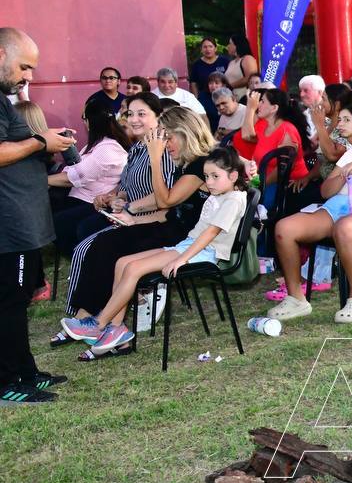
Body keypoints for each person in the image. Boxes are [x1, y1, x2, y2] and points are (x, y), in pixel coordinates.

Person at [60, 148, 248, 356]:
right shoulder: (220, 194)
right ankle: (116, 330)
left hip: (202, 251)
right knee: (122, 263)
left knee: (133, 268)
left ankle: (99, 323)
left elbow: (211, 234)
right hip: (188, 246)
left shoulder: (233, 199)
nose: (209, 182)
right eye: (206, 177)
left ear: (233, 176)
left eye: (215, 176)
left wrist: (182, 260)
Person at [56, 105, 213, 351]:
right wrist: (132, 212)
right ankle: (94, 319)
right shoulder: (189, 163)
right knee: (103, 243)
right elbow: (168, 205)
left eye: (168, 137)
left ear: (185, 133)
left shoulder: (201, 165)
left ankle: (97, 322)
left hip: (182, 237)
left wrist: (154, 157)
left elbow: (166, 200)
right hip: (168, 225)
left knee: (110, 246)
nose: (165, 144)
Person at [267, 108, 352, 322]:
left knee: (345, 227)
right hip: (336, 207)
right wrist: (346, 173)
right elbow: (326, 191)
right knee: (284, 228)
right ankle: (296, 299)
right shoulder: (351, 154)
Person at [0, 28, 76, 401]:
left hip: (21, 222)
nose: (28, 76)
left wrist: (46, 137)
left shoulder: (3, 100)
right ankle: (8, 382)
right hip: (8, 225)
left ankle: (25, 371)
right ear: (1, 54)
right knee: (9, 303)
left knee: (17, 300)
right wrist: (40, 141)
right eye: (24, 66)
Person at [49, 98, 129, 255]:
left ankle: (81, 259)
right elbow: (75, 168)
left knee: (54, 223)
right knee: (46, 210)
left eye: (84, 119)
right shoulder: (97, 144)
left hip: (93, 202)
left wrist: (42, 180)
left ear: (92, 121)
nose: (84, 123)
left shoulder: (108, 147)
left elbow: (77, 176)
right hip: (80, 198)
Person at [234, 88, 309, 209]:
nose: (258, 104)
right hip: (267, 182)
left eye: (262, 101)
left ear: (274, 108)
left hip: (289, 186)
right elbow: (247, 135)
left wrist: (257, 185)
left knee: (247, 204)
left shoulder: (287, 131)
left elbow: (281, 170)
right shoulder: (266, 127)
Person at [189, 36, 229, 122]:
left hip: (223, 96)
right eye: (205, 47)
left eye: (210, 46)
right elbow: (193, 83)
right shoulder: (197, 64)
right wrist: (196, 99)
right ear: (201, 49)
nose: (208, 49)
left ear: (215, 48)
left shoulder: (224, 61)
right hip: (205, 97)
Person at [222, 34, 258, 99]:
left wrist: (230, 86)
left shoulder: (248, 59)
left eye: (230, 43)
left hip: (245, 99)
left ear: (237, 45)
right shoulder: (231, 62)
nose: (228, 46)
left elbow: (251, 78)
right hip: (231, 99)